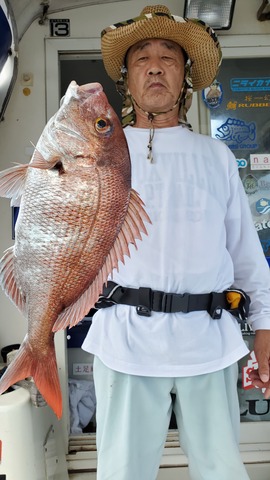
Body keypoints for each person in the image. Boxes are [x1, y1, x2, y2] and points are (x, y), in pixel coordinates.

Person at [82, 5, 270, 479]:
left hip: (207, 339)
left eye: (169, 55)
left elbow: (247, 255)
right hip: (125, 339)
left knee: (223, 471)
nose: (156, 65)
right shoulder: (103, 154)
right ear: (127, 77)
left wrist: (266, 328)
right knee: (121, 472)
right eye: (142, 56)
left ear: (185, 75)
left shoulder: (217, 155)